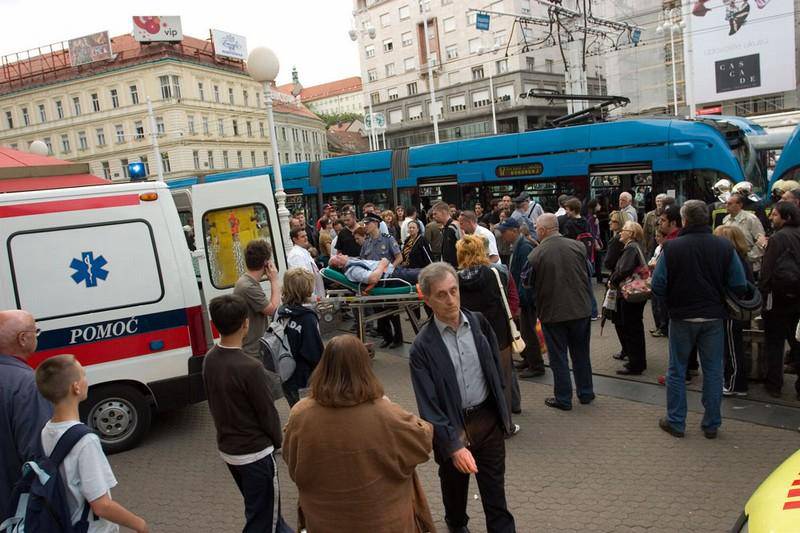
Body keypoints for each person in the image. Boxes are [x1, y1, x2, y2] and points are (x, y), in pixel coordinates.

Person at [283, 335, 434, 533]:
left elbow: (292, 463)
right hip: (383, 523)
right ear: (364, 367)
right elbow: (423, 441)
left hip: (325, 523)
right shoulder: (385, 413)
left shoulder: (301, 414)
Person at [409, 263, 516, 533]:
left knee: (497, 504)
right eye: (441, 295)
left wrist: (501, 413)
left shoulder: (479, 323)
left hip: (487, 423)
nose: (450, 300)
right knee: (456, 507)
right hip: (452, 428)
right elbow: (428, 405)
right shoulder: (423, 347)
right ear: (427, 299)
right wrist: (453, 446)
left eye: (454, 291)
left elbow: (494, 369)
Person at [652, 200, 747, 439]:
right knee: (713, 370)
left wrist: (670, 302)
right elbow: (738, 283)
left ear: (684, 220)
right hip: (714, 316)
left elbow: (658, 284)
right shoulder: (724, 247)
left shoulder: (672, 248)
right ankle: (711, 423)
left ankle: (676, 421)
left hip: (682, 315)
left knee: (677, 369)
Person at [203, 295, 290, 532]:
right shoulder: (251, 368)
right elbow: (267, 414)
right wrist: (277, 442)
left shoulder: (210, 358)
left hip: (229, 450)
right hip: (255, 454)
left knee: (268, 513)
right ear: (245, 323)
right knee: (263, 522)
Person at [34, 355, 148, 532]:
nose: (86, 380)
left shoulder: (46, 431)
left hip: (63, 522)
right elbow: (101, 505)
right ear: (76, 387)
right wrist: (139, 524)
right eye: (83, 375)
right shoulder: (85, 441)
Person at [529, 213, 595, 410]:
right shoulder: (578, 246)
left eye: (536, 228)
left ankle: (564, 398)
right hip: (580, 309)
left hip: (553, 313)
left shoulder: (536, 254)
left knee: (558, 358)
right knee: (582, 354)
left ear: (542, 230)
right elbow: (589, 272)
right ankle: (586, 392)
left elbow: (527, 283)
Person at [456, 235, 520, 435]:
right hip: (498, 333)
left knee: (475, 379)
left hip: (469, 335)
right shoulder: (498, 272)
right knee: (504, 380)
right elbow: (512, 299)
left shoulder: (454, 279)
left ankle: (478, 426)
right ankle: (506, 424)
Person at [0, 310, 53, 521]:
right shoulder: (27, 386)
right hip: (16, 509)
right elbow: (38, 457)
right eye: (35, 331)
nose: (37, 335)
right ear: (23, 339)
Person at [758, 201, 800, 400]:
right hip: (797, 298)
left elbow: (767, 271)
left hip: (777, 299)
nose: (771, 218)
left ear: (786, 217)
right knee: (797, 341)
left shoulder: (777, 238)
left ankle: (774, 384)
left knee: (774, 342)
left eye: (774, 215)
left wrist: (764, 293)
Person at [498, 217, 545, 378]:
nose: (502, 235)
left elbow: (526, 277)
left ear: (515, 231)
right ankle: (528, 359)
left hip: (526, 299)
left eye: (504, 232)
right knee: (523, 331)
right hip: (522, 297)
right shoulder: (518, 245)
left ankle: (536, 365)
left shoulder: (524, 247)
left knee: (529, 331)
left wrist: (520, 302)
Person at [713, 225, 754, 397]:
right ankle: (732, 380)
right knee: (730, 346)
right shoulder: (741, 258)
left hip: (732, 310)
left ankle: (735, 384)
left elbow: (738, 286)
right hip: (733, 308)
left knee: (732, 347)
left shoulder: (734, 259)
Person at [276, 268, 325, 407]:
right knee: (308, 418)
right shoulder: (307, 318)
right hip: (303, 381)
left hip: (285, 376)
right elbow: (315, 353)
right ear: (307, 290)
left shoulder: (281, 312)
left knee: (295, 411)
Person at [609, 221, 649, 376]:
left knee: (631, 327)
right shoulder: (635, 247)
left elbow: (624, 269)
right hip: (635, 292)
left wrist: (613, 280)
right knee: (634, 326)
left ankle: (636, 364)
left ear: (631, 233)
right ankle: (637, 360)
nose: (620, 233)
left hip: (631, 293)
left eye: (624, 230)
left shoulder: (631, 248)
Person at [360, 212, 404, 348]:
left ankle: (398, 338)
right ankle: (387, 337)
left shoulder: (387, 239)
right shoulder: (367, 242)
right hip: (374, 282)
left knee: (392, 310)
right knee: (379, 311)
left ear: (376, 223)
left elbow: (399, 257)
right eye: (364, 223)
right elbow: (362, 260)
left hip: (388, 280)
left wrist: (389, 269)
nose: (365, 226)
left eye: (367, 223)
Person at [233, 239, 281, 360]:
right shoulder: (248, 287)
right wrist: (274, 280)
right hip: (252, 352)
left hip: (255, 349)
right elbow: (273, 309)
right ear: (266, 262)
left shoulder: (248, 282)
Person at [723, 193, 766, 275]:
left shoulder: (751, 219)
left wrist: (749, 257)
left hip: (750, 264)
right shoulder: (726, 220)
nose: (726, 206)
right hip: (732, 262)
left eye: (729, 203)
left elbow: (761, 241)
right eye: (726, 203)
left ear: (740, 205)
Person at [329, 254, 421, 288]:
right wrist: (382, 264)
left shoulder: (353, 263)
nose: (340, 254)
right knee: (426, 274)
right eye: (337, 257)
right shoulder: (353, 271)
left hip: (394, 272)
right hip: (393, 277)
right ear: (340, 265)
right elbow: (373, 278)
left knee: (424, 271)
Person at [286, 227, 325, 301]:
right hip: (308, 296)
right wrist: (310, 297)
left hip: (314, 294)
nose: (306, 238)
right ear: (294, 239)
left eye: (306, 235)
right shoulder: (296, 255)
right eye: (302, 237)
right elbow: (301, 279)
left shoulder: (302, 252)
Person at [431, 201, 460, 268]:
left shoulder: (454, 226)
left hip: (457, 267)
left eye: (435, 214)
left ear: (443, 212)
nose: (433, 216)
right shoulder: (445, 228)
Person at [643, 193, 668, 258]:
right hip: (651, 246)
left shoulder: (668, 215)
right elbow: (645, 232)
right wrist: (644, 247)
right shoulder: (649, 215)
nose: (659, 203)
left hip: (663, 245)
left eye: (661, 201)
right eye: (657, 201)